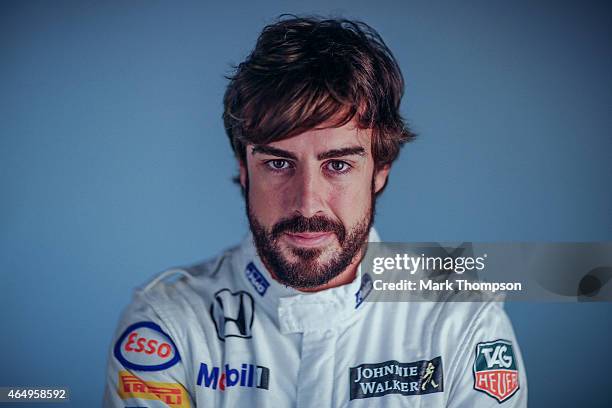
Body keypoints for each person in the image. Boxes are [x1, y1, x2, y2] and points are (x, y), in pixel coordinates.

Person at [104, 16, 527, 407]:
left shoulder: (461, 322)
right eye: (278, 163)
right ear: (243, 169)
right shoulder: (168, 327)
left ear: (380, 171)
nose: (307, 202)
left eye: (338, 165)